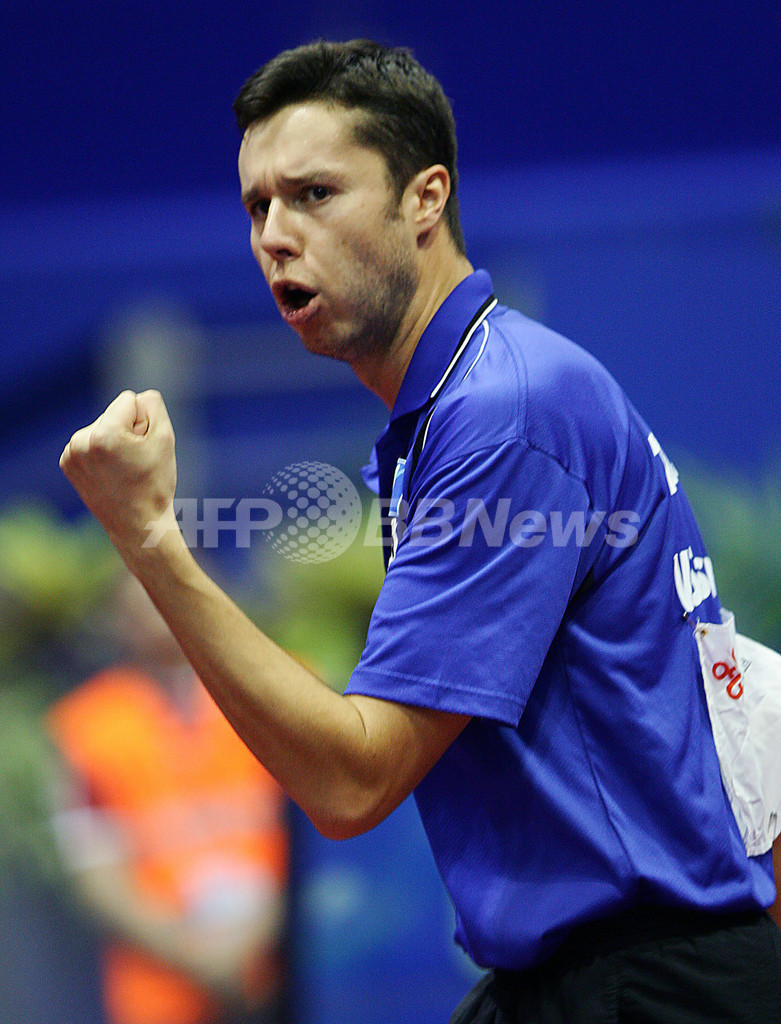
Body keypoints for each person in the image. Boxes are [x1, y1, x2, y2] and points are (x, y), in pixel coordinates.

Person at [59, 40, 781, 1023]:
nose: (275, 235)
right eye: (257, 206)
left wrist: (149, 540)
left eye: (314, 194)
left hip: (648, 987)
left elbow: (352, 780)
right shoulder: (455, 412)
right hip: (576, 978)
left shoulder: (506, 410)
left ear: (425, 199)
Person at [47, 571, 289, 1024]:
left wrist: (260, 934)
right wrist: (199, 957)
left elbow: (325, 836)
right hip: (162, 993)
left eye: (168, 594)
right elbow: (96, 875)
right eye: (141, 606)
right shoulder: (87, 726)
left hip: (286, 975)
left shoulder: (275, 690)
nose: (158, 616)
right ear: (116, 621)